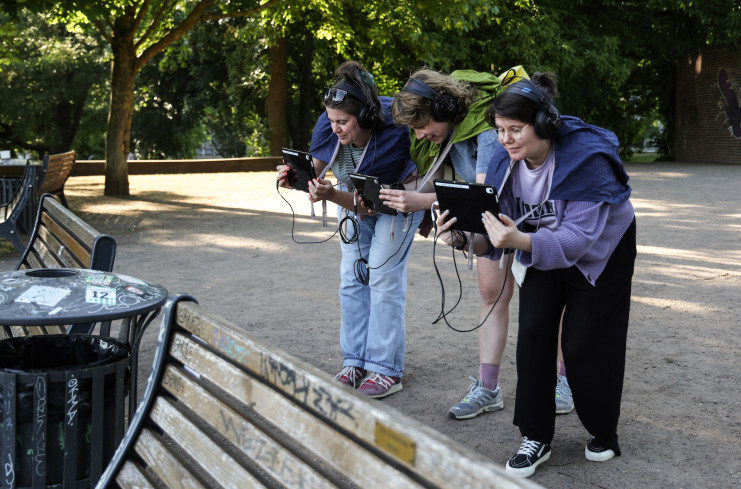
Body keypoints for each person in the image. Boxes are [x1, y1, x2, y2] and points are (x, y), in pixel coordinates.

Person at [435, 72, 636, 477]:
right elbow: (490, 241)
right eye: (500, 130)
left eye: (515, 129)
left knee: (584, 344)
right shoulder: (503, 163)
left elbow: (577, 241)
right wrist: (459, 236)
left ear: (544, 124)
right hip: (541, 245)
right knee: (533, 335)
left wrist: (519, 241)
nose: (506, 139)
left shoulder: (585, 159)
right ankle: (536, 436)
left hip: (601, 252)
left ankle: (603, 431)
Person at [385, 67, 573, 419]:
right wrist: (396, 196)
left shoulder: (486, 127)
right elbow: (434, 183)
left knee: (553, 299)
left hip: (533, 213)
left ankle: (562, 380)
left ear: (442, 110)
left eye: (422, 125)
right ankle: (488, 387)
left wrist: (422, 202)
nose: (421, 135)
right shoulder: (446, 133)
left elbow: (487, 192)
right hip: (495, 218)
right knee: (491, 295)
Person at [277, 61, 424, 399]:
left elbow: (368, 205)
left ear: (367, 118)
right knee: (351, 277)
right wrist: (299, 180)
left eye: (342, 122)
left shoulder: (392, 134)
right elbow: (315, 170)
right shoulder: (329, 125)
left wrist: (330, 193)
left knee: (383, 276)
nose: (336, 129)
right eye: (331, 121)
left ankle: (385, 369)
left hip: (395, 197)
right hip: (352, 193)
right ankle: (355, 360)